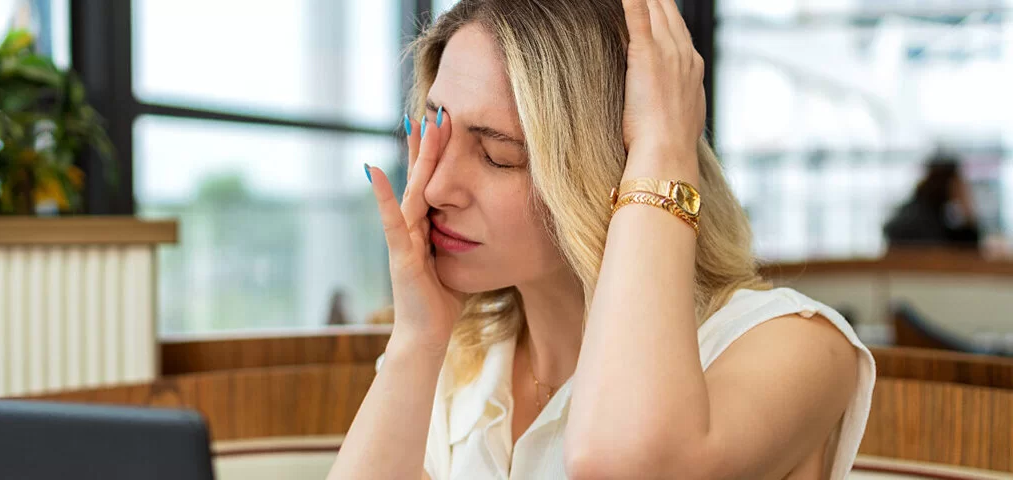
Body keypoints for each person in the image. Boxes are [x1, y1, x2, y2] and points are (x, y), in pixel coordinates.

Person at [328, 1, 874, 479]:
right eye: (434, 131)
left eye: (499, 155)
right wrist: (416, 342)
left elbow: (625, 466)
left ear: (611, 167)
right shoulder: (457, 363)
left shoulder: (797, 346)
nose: (439, 187)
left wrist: (663, 146)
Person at [883, 156, 982, 249]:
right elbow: (960, 253)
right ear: (948, 183)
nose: (963, 187)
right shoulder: (921, 217)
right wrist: (967, 209)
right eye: (958, 182)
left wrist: (967, 213)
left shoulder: (931, 210)